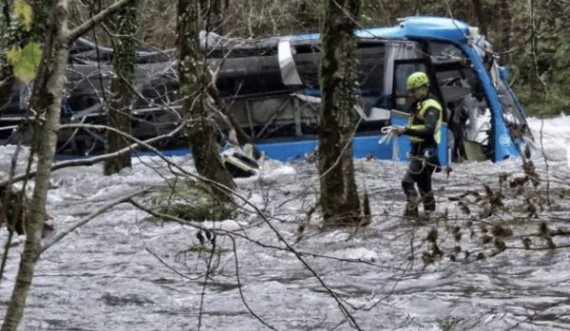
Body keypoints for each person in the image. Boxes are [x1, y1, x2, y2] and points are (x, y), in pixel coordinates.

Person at [391, 72, 443, 218]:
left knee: (407, 183)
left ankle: (411, 216)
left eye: (413, 91)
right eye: (409, 91)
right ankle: (428, 219)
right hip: (419, 150)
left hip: (427, 151)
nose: (410, 94)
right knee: (425, 188)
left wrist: (405, 130)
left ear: (423, 89)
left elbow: (428, 131)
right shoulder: (419, 104)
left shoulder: (431, 106)